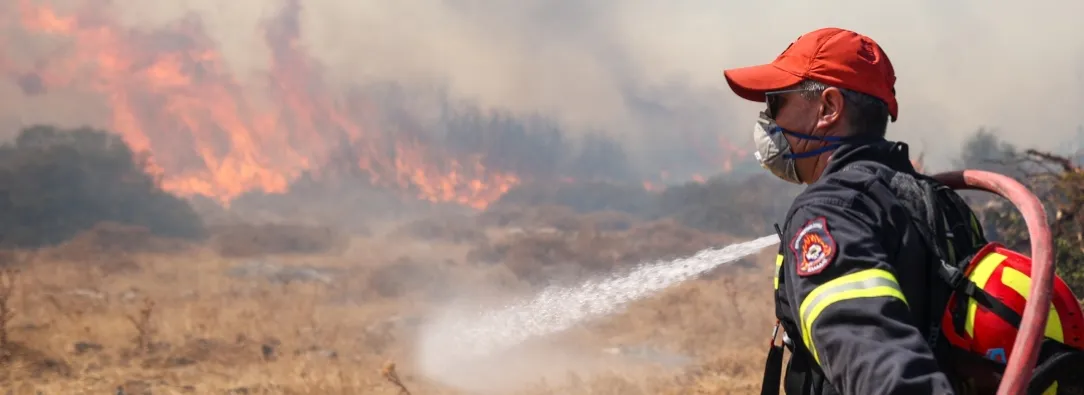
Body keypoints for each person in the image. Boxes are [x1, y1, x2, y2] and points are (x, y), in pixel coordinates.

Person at [721, 27, 1084, 395]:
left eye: (776, 103)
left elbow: (875, 362)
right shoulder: (935, 200)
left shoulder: (829, 213)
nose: (768, 120)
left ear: (828, 107)